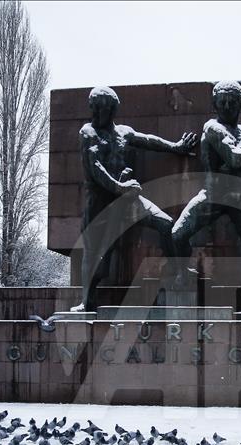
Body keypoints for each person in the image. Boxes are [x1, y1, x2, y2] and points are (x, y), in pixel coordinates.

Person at [74, 86, 197, 312]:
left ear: (112, 110)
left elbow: (149, 140)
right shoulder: (88, 132)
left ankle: (179, 271)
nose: (96, 114)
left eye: (101, 109)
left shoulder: (123, 132)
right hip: (101, 203)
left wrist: (176, 147)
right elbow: (94, 168)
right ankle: (86, 301)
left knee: (167, 224)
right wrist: (119, 187)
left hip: (129, 198)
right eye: (95, 109)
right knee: (97, 254)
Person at [171, 80, 241, 306]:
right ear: (215, 104)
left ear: (240, 104)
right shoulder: (213, 128)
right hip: (213, 194)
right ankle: (183, 274)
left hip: (240, 195)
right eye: (222, 101)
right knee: (177, 234)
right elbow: (235, 157)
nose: (227, 105)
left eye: (232, 101)